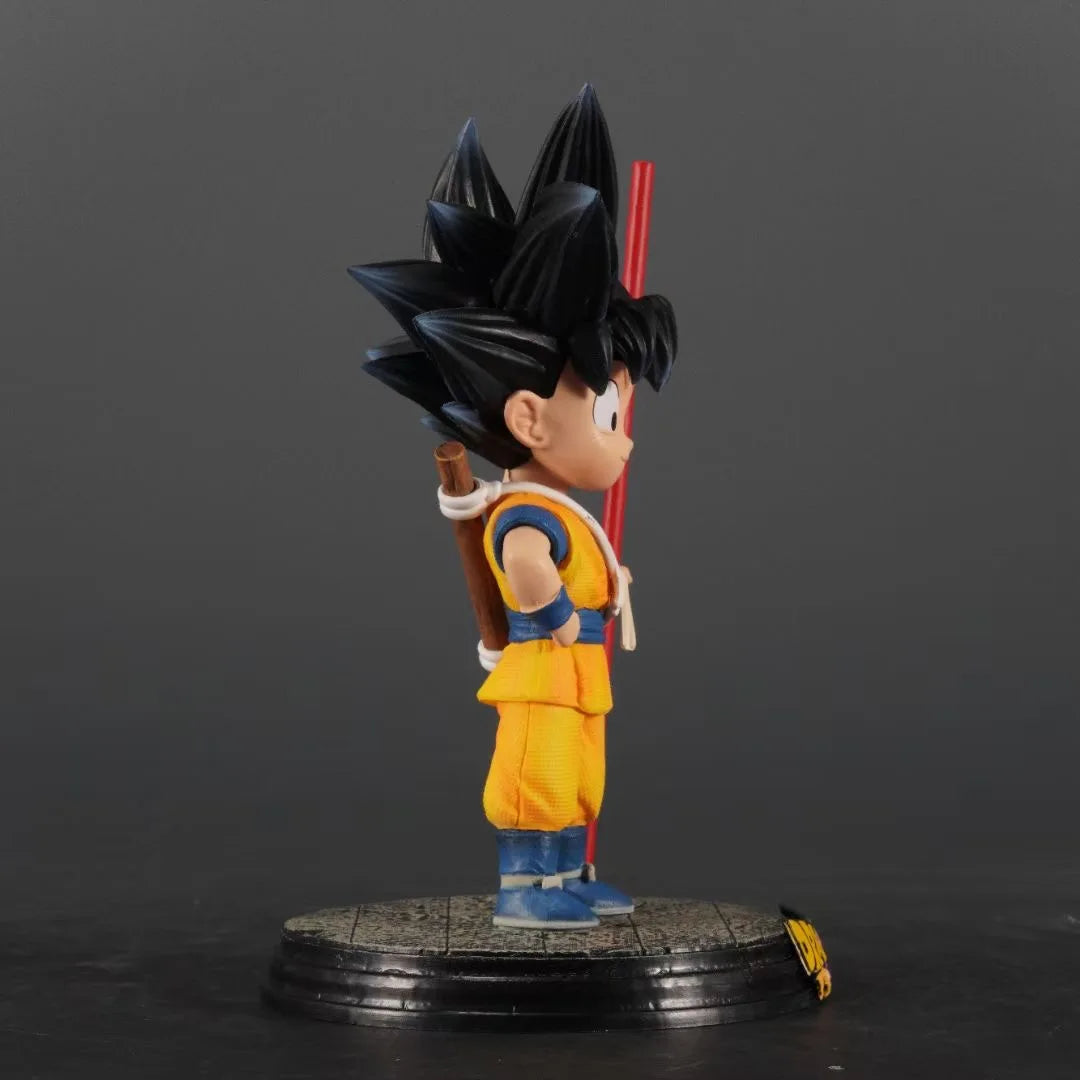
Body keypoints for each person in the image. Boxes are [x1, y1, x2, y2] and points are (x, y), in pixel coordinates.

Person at [350, 85, 677, 928]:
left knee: (576, 777)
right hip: (546, 668)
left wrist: (606, 585)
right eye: (608, 414)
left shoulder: (557, 506)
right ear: (529, 419)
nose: (623, 440)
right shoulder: (524, 512)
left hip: (577, 676)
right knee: (538, 777)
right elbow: (527, 569)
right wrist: (563, 614)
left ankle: (568, 877)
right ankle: (527, 892)